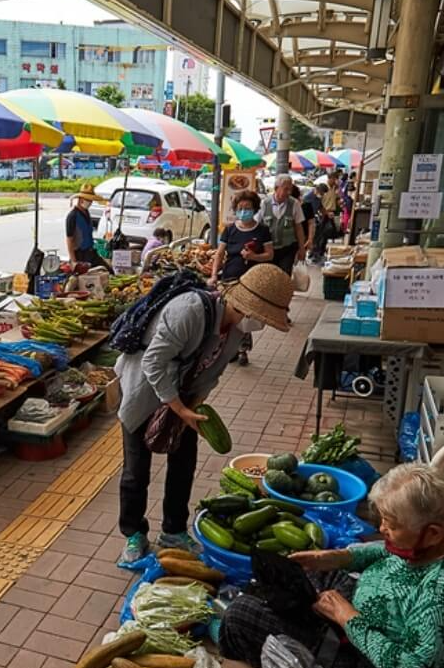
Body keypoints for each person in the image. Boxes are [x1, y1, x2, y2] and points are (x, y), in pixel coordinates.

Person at [218, 463, 444, 668]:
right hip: (366, 613)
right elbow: (389, 552)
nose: (381, 529)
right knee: (295, 576)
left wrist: (348, 619)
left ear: (433, 533)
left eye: (391, 525)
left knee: (240, 616)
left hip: (371, 664)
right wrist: (337, 557)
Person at [115, 264, 293, 564]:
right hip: (143, 387)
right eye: (261, 317)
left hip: (184, 392)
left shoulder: (236, 331)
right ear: (241, 305)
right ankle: (134, 533)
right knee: (136, 469)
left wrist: (193, 408)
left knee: (184, 462)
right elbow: (153, 363)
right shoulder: (189, 311)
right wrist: (179, 408)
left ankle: (173, 530)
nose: (260, 324)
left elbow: (213, 373)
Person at [209, 191, 273, 365]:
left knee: (245, 316)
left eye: (248, 208)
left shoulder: (262, 230)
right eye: (240, 208)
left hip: (251, 280)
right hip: (230, 278)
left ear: (255, 209)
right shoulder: (230, 230)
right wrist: (214, 275)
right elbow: (220, 254)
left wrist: (254, 257)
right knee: (227, 314)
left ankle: (243, 349)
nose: (244, 211)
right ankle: (227, 349)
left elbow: (269, 254)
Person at [261, 175, 309, 275]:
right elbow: (257, 225)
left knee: (285, 276)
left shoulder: (294, 204)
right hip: (269, 250)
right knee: (269, 277)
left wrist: (302, 249)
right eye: (286, 189)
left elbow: (298, 228)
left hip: (287, 249)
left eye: (290, 189)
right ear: (276, 188)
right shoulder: (265, 203)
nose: (289, 192)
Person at [65, 183, 110, 269]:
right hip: (80, 255)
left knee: (108, 271)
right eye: (88, 200)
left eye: (91, 200)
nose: (90, 203)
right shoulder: (72, 216)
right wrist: (74, 261)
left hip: (91, 253)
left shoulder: (86, 213)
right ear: (81, 200)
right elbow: (69, 240)